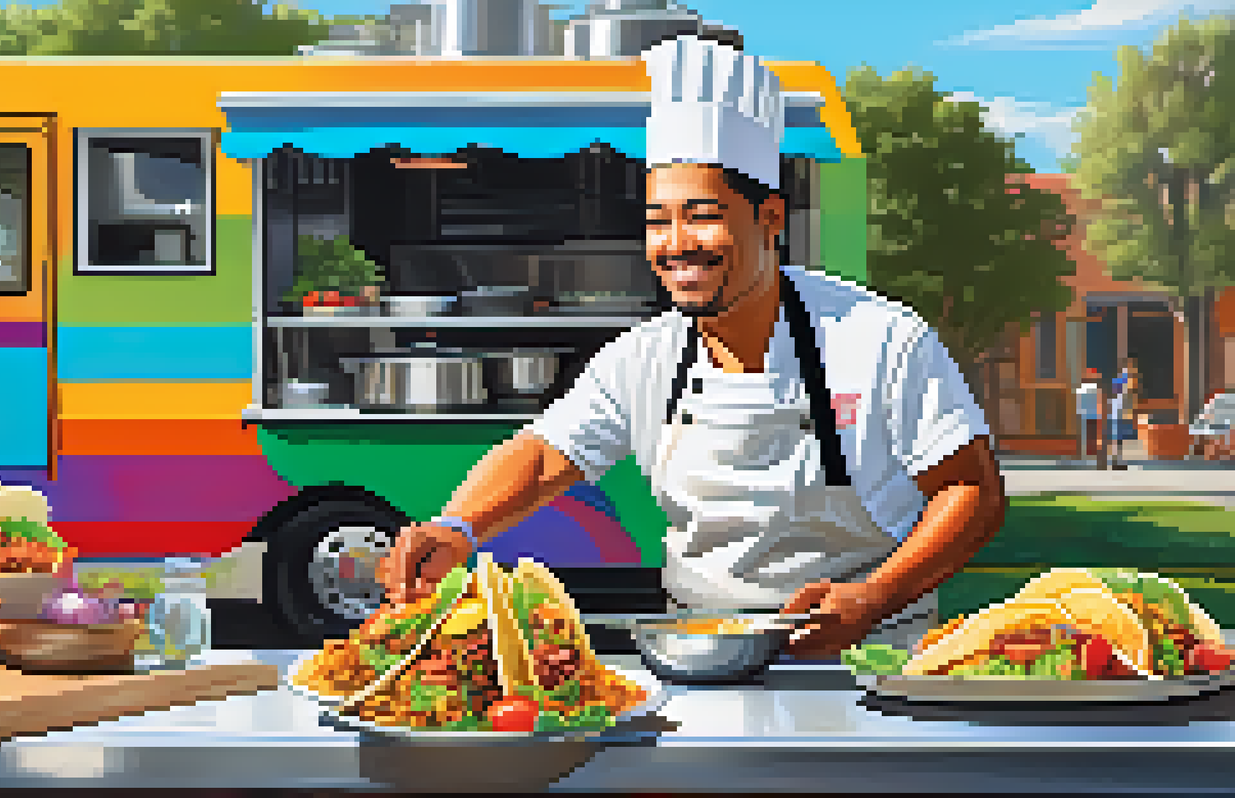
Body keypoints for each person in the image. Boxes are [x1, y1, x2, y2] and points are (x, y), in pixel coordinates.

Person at [376, 35, 1008, 660]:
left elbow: (973, 495)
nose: (677, 243)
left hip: (866, 653)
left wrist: (874, 596)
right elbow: (543, 456)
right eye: (658, 221)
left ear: (770, 219)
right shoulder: (642, 356)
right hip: (700, 650)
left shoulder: (881, 337)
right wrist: (455, 528)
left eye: (703, 214)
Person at [1109, 358, 1139, 467]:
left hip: (1121, 412)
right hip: (1121, 412)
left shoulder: (1120, 380)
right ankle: (1119, 461)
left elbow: (1127, 395)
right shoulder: (1124, 379)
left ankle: (1119, 460)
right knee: (1120, 438)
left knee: (1121, 438)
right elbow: (1126, 394)